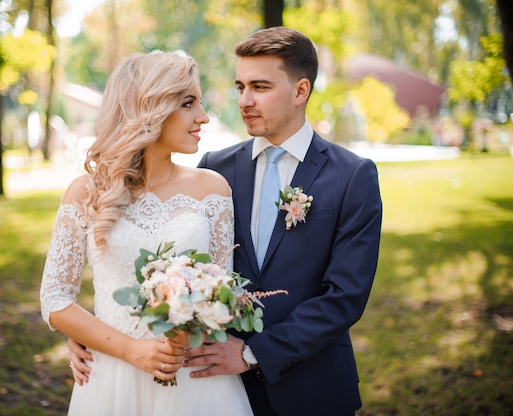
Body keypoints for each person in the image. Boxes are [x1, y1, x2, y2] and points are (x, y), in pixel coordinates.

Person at [69, 27, 382, 415]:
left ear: (301, 91)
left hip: (311, 387)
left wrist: (254, 353)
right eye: (240, 87)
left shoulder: (353, 176)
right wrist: (95, 335)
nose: (245, 100)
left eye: (261, 87)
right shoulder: (214, 170)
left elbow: (345, 297)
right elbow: (161, 266)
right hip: (213, 386)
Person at [40, 51, 253, 415]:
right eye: (188, 104)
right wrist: (127, 348)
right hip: (113, 380)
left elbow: (224, 291)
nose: (202, 117)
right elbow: (55, 298)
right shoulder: (86, 193)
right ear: (149, 108)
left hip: (196, 379)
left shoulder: (213, 190)